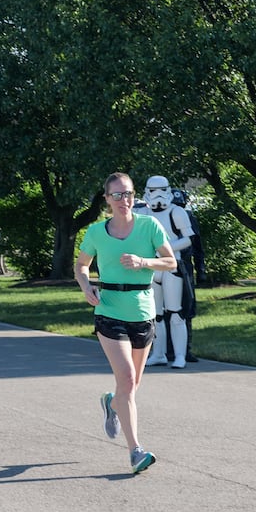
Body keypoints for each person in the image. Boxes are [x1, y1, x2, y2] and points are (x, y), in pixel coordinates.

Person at [77, 173, 178, 474]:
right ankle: (136, 451)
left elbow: (171, 262)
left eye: (129, 194)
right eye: (118, 195)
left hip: (143, 311)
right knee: (126, 378)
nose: (125, 201)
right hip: (109, 310)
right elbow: (81, 265)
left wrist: (144, 262)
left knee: (131, 386)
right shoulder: (96, 232)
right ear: (106, 199)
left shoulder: (149, 227)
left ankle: (112, 404)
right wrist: (86, 286)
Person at [134, 175, 197, 368]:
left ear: (168, 190)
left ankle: (179, 355)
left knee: (176, 313)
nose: (157, 195)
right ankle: (158, 353)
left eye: (161, 190)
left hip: (172, 265)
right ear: (146, 192)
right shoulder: (142, 212)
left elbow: (188, 239)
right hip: (152, 267)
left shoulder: (177, 212)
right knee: (155, 314)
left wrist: (167, 248)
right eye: (153, 191)